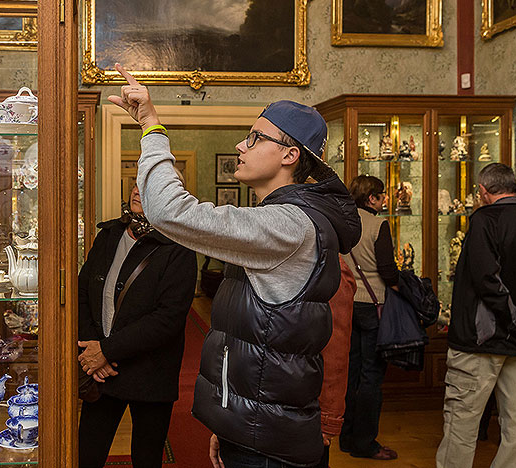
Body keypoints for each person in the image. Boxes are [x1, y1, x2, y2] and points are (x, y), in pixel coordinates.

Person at [107, 64, 361, 468]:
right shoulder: (283, 220)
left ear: (290, 155)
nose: (241, 146)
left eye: (255, 137)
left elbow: (168, 210)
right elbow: (254, 343)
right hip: (256, 432)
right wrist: (230, 427)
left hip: (269, 448)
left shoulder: (289, 225)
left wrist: (153, 127)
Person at [77, 183, 197, 468]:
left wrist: (106, 350)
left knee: (147, 457)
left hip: (150, 375)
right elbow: (81, 293)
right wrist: (90, 349)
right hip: (101, 373)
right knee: (86, 455)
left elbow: (168, 319)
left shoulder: (179, 248)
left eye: (149, 185)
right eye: (136, 183)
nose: (138, 190)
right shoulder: (109, 235)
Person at [436, 163, 516, 468]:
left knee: (461, 425)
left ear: (483, 191)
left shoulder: (484, 220)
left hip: (480, 342)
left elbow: (486, 280)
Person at [340, 175, 400, 460]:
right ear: (371, 198)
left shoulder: (345, 220)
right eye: (382, 195)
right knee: (371, 376)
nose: (385, 199)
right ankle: (365, 442)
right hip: (374, 305)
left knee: (350, 374)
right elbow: (388, 272)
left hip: (347, 303)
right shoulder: (379, 225)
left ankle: (346, 436)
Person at [316, 257, 357, 468]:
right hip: (252, 412)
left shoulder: (329, 267)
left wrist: (328, 419)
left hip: (296, 414)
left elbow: (334, 352)